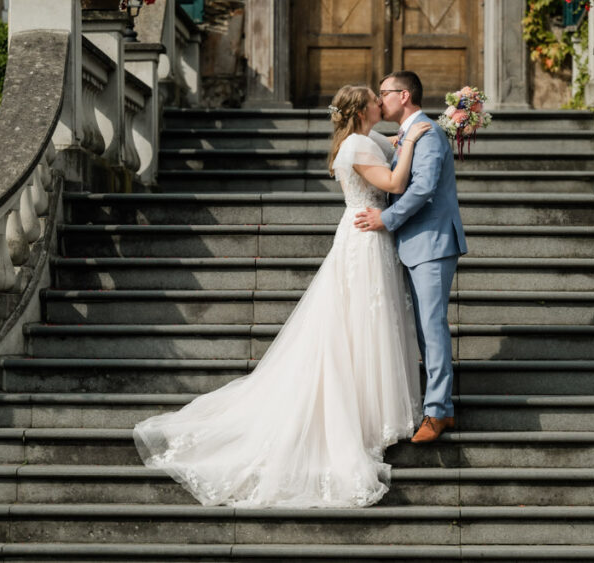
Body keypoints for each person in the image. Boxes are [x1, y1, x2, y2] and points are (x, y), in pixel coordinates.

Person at [133, 85, 431, 508]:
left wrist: (410, 134)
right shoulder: (359, 145)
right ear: (363, 109)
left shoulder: (366, 139)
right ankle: (363, 413)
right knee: (361, 321)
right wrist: (417, 138)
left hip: (367, 236)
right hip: (365, 239)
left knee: (368, 322)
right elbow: (395, 180)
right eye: (374, 99)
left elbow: (394, 147)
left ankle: (374, 407)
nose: (380, 103)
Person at [355, 71, 467, 444]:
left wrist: (385, 219)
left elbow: (423, 188)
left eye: (383, 93)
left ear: (403, 96)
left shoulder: (428, 134)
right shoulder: (410, 132)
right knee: (423, 327)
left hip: (432, 243)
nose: (379, 100)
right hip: (414, 243)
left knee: (432, 327)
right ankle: (443, 409)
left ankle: (436, 412)